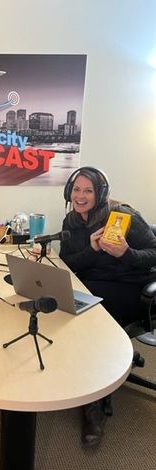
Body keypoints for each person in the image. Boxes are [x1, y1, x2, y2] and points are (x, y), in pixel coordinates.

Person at [60, 166, 156, 447]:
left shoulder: (124, 217)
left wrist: (127, 253)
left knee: (90, 322)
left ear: (100, 194)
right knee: (59, 304)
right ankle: (78, 375)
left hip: (130, 290)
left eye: (88, 190)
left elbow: (154, 254)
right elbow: (68, 264)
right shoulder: (71, 223)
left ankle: (95, 409)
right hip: (93, 287)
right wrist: (92, 250)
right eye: (76, 189)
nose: (80, 196)